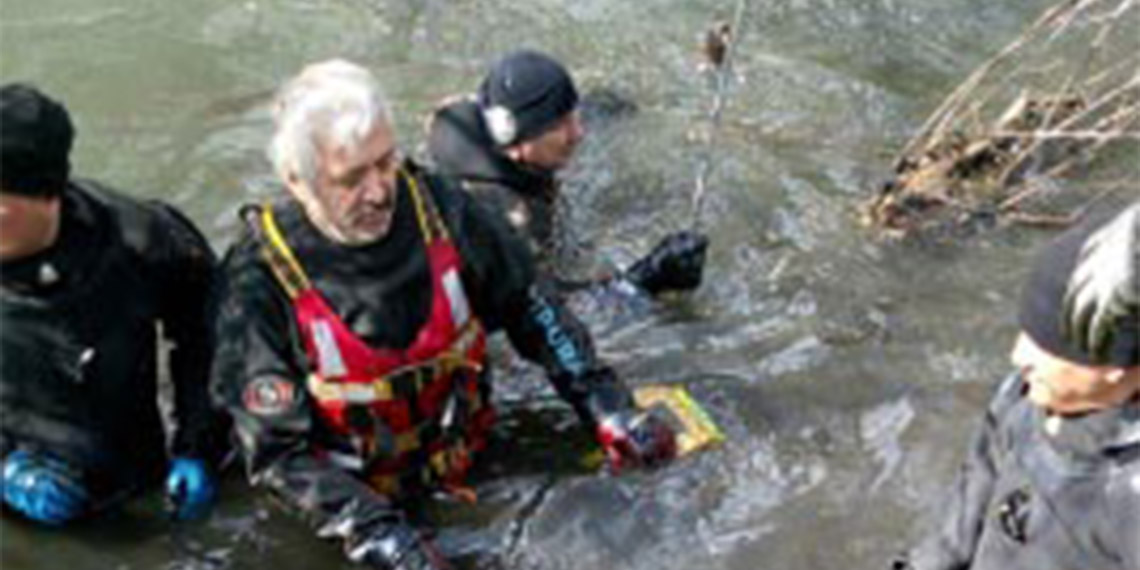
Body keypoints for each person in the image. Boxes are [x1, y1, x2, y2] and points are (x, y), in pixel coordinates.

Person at [210, 59, 676, 570]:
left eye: (386, 162)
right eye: (352, 178)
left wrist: (605, 404)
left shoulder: (444, 207)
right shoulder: (259, 277)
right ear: (298, 181)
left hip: (467, 448)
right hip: (354, 504)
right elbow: (277, 455)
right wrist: (379, 534)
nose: (380, 190)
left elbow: (531, 307)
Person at [0, 84, 228, 525]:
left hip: (133, 479)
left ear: (47, 195)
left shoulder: (139, 238)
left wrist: (199, 446)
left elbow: (210, 333)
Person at [896, 206, 1140, 570]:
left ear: (1117, 369)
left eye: (1049, 346)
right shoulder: (1027, 393)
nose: (1018, 356)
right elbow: (965, 511)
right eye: (1025, 333)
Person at [426, 50, 709, 300]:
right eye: (560, 125)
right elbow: (550, 311)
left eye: (572, 115)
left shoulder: (474, 122)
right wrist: (646, 279)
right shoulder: (506, 221)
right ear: (516, 144)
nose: (578, 133)